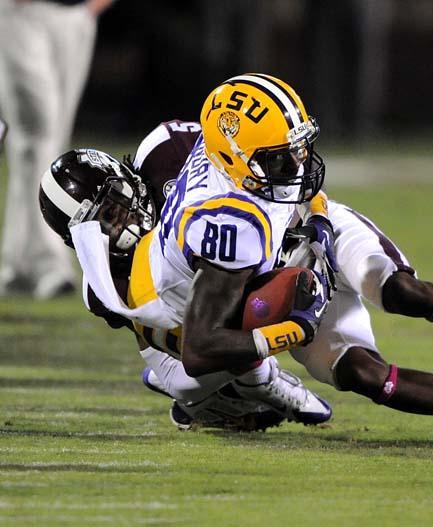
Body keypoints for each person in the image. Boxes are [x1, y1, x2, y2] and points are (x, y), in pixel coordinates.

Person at [126, 74, 433, 445]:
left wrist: (315, 215)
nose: (298, 165)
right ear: (234, 160)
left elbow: (294, 187)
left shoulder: (207, 147)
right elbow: (201, 343)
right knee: (363, 374)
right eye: (281, 159)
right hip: (271, 279)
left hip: (309, 233)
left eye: (298, 150)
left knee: (400, 291)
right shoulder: (225, 225)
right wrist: (288, 329)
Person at [38, 146, 333, 431]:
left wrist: (315, 211)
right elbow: (192, 342)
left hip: (252, 241)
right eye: (104, 222)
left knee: (281, 268)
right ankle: (252, 384)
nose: (121, 221)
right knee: (187, 381)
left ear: (125, 178)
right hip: (185, 330)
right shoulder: (103, 288)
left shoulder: (165, 153)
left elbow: (251, 152)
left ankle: (235, 390)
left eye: (116, 202)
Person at [0, 0, 115, 299]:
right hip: (19, 12)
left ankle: (17, 263)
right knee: (36, 132)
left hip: (75, 14)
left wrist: (89, 9)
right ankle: (47, 263)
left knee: (51, 141)